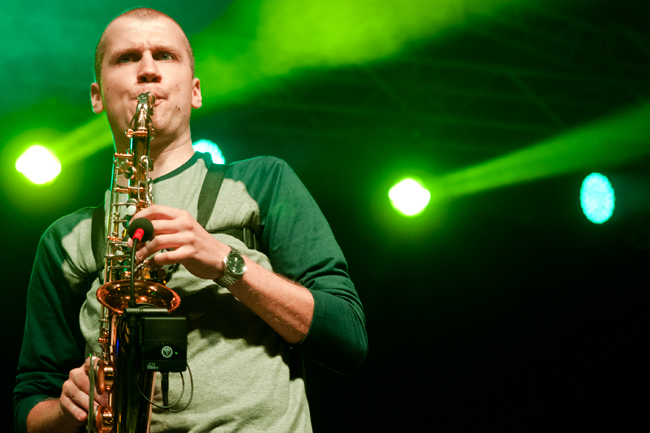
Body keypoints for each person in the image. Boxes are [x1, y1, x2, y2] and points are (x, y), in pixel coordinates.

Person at [14, 7, 367, 433]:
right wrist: (65, 408)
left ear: (195, 91)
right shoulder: (64, 239)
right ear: (97, 96)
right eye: (126, 58)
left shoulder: (263, 181)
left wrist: (224, 261)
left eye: (165, 55)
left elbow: (346, 336)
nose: (148, 69)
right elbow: (30, 403)